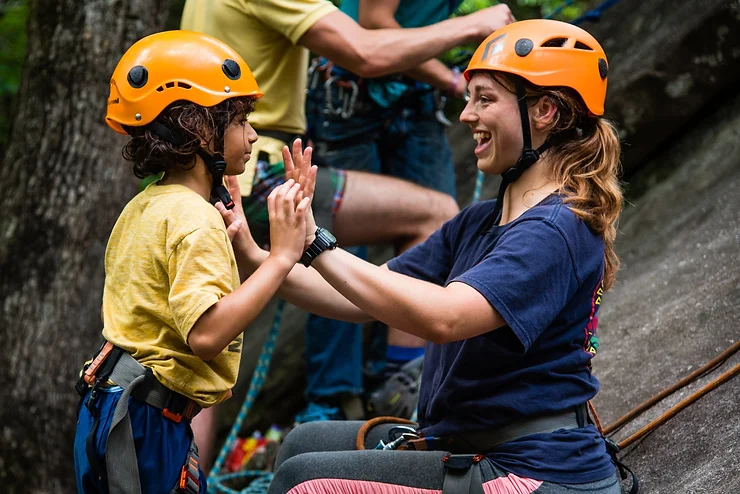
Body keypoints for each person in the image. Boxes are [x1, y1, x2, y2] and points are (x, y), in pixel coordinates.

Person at [221, 18, 624, 493]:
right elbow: (356, 301)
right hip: (469, 444)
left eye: (485, 99)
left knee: (300, 480)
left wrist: (313, 242)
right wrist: (253, 252)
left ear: (546, 112)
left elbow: (446, 318)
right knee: (301, 443)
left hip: (532, 470)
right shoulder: (478, 223)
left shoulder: (558, 228)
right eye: (469, 97)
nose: (466, 115)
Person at [181, 0, 513, 463]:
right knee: (432, 211)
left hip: (206, 176)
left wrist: (258, 256)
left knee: (193, 352)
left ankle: (181, 476)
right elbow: (363, 50)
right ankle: (404, 390)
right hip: (260, 169)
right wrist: (476, 25)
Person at [72, 31, 312, 494]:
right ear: (198, 130)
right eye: (241, 120)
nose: (253, 134)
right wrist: (280, 259)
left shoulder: (146, 204)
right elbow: (205, 335)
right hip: (145, 424)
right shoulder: (193, 220)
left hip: (113, 403)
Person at [302, 0, 508, 423]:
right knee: (333, 250)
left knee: (440, 234)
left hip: (414, 97)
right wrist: (456, 72)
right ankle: (332, 403)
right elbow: (373, 25)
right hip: (350, 98)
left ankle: (408, 392)